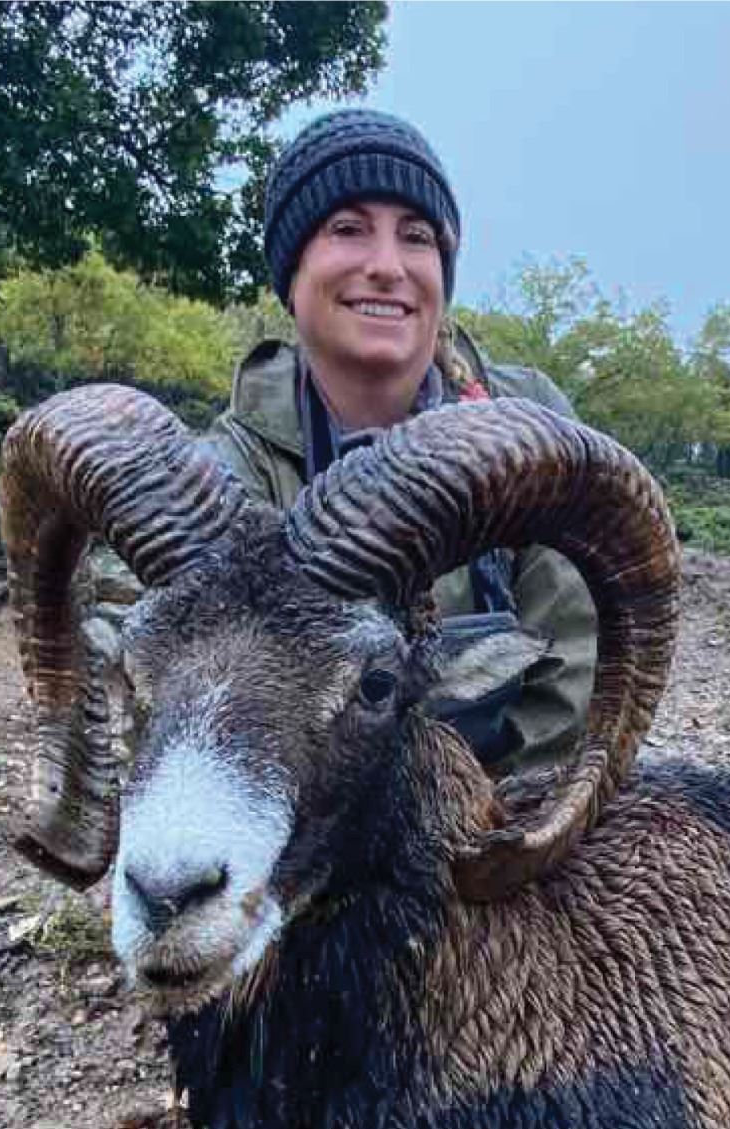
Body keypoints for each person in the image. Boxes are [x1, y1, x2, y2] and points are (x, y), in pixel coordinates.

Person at [203, 109, 597, 774]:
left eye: (416, 237)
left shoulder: (528, 426)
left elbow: (578, 668)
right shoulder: (230, 473)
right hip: (305, 812)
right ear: (293, 271)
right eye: (348, 229)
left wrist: (503, 826)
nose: (387, 266)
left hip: (508, 812)